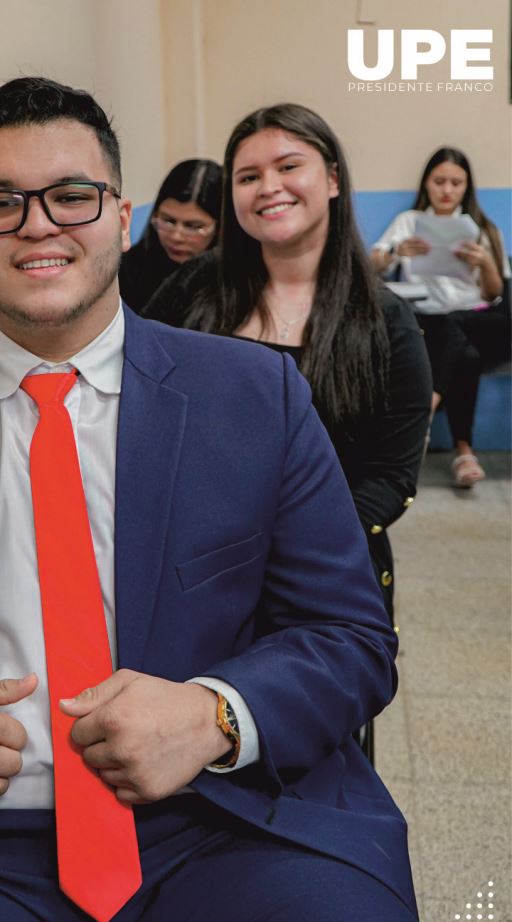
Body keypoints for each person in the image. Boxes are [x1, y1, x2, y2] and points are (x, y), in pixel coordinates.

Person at [0, 78, 443, 922]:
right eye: (1, 202)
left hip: (235, 826)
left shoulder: (254, 396)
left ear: (120, 215)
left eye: (72, 195)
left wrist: (215, 716)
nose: (38, 225)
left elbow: (350, 635)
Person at [145, 103, 432, 625]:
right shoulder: (192, 290)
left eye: (288, 166)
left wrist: (290, 548)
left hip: (324, 575)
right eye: (248, 176)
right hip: (192, 571)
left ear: (333, 180)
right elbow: (138, 402)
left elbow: (391, 477)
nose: (268, 187)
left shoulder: (385, 320)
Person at [371, 147, 511, 488]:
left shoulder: (481, 228)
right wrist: (396, 253)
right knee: (466, 355)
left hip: (472, 317)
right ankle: (464, 452)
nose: (447, 190)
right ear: (427, 183)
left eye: (456, 183)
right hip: (425, 318)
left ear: (467, 187)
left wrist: (485, 262)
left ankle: (426, 408)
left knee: (456, 326)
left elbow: (495, 294)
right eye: (439, 181)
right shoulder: (409, 221)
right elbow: (371, 265)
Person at [118, 158, 221, 313]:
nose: (176, 237)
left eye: (193, 227)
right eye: (168, 221)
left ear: (220, 228)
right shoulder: (125, 270)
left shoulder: (235, 283)